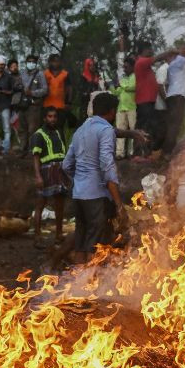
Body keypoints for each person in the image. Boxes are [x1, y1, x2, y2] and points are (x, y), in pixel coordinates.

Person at [62, 93, 125, 262]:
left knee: (80, 243)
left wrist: (79, 180)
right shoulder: (105, 130)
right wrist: (119, 204)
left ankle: (79, 278)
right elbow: (107, 166)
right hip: (96, 195)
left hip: (78, 194)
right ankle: (92, 278)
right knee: (96, 245)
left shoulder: (80, 131)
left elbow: (66, 165)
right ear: (112, 111)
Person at [31, 107, 69, 242]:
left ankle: (59, 234)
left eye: (54, 117)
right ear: (44, 118)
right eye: (50, 116)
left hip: (59, 170)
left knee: (60, 203)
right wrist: (38, 176)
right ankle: (37, 235)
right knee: (41, 203)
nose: (52, 119)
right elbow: (36, 157)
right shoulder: (38, 135)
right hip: (46, 170)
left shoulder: (59, 132)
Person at [133, 42, 173, 159]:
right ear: (143, 50)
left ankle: (145, 152)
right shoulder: (141, 62)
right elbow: (158, 58)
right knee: (145, 128)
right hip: (144, 102)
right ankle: (140, 153)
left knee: (148, 128)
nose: (151, 51)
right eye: (149, 49)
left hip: (148, 102)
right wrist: (170, 52)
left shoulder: (145, 65)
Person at [16, 54, 49, 153]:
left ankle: (33, 150)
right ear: (26, 62)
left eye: (33, 62)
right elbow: (16, 86)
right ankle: (23, 148)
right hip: (22, 105)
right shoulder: (22, 73)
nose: (31, 63)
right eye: (29, 61)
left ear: (36, 63)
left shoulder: (40, 74)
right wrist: (19, 87)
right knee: (22, 129)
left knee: (33, 129)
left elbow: (45, 90)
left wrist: (32, 93)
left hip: (34, 106)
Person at [112, 55, 138, 159]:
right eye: (124, 67)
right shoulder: (123, 78)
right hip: (121, 108)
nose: (124, 69)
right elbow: (117, 92)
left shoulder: (135, 76)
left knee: (132, 130)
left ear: (132, 67)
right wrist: (111, 86)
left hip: (132, 107)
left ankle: (131, 152)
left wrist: (121, 85)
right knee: (120, 130)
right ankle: (119, 153)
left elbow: (132, 87)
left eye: (126, 67)